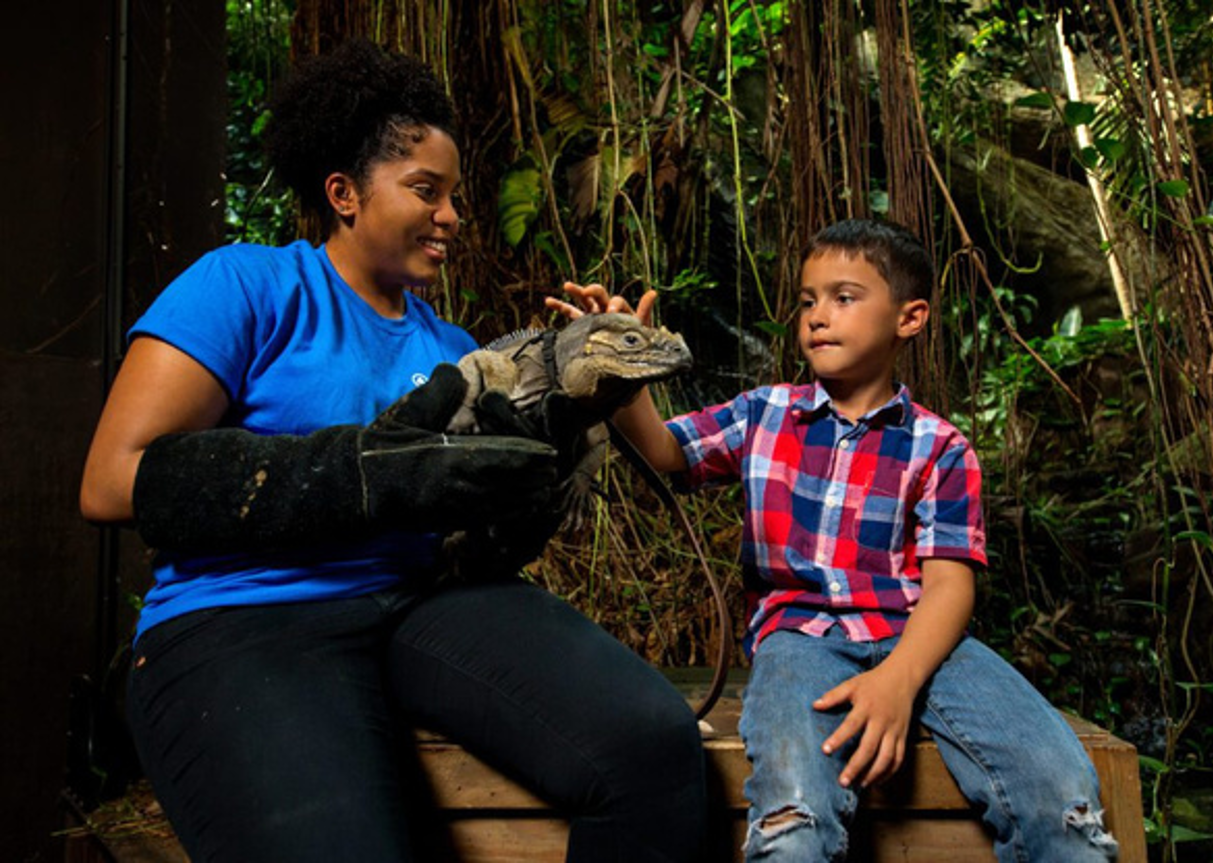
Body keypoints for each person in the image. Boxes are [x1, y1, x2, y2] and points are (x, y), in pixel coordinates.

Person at [79, 39, 706, 863]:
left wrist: (565, 433)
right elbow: (111, 480)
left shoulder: (457, 349)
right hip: (247, 614)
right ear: (343, 193)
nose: (451, 216)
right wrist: (352, 472)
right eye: (425, 191)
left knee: (651, 748)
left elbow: (483, 537)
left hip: (423, 602)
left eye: (454, 196)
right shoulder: (248, 285)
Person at [547, 218, 1120, 862]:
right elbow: (662, 452)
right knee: (793, 815)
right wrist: (618, 362)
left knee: (1062, 796)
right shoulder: (763, 414)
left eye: (844, 298)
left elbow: (950, 585)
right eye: (807, 300)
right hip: (799, 642)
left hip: (922, 636)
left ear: (910, 317)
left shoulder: (942, 447)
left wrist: (899, 681)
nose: (818, 316)